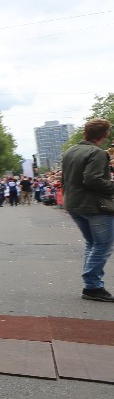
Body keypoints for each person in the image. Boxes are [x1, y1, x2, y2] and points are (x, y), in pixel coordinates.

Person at [60, 119, 114, 302]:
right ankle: (92, 286)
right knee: (103, 245)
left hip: (74, 203)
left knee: (92, 243)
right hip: (94, 205)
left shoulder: (71, 150)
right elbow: (92, 180)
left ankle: (91, 284)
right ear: (105, 134)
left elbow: (65, 179)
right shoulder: (97, 153)